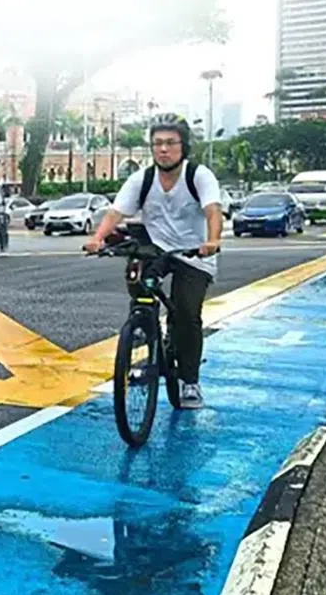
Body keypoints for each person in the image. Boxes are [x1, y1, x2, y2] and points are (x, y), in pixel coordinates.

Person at [83, 113, 223, 409]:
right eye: (157, 143)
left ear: (184, 146)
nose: (163, 149)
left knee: (186, 314)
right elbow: (115, 213)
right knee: (139, 284)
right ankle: (145, 330)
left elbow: (213, 211)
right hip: (156, 249)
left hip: (194, 254)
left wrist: (212, 242)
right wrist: (97, 238)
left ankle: (189, 381)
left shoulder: (198, 176)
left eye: (171, 143)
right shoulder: (142, 178)